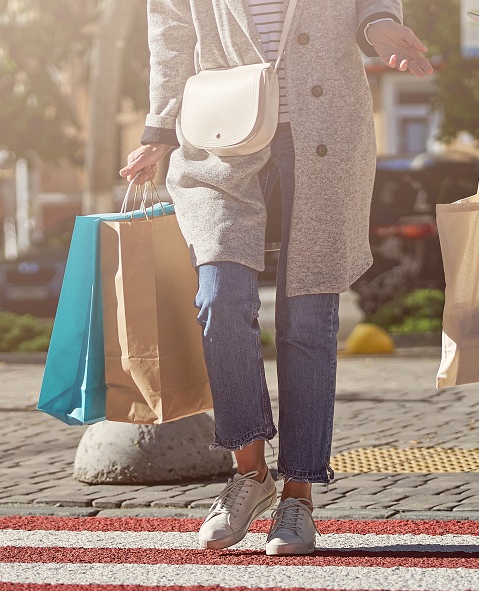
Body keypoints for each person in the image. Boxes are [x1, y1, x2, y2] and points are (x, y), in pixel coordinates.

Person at [123, 0, 432, 555]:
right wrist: (160, 126)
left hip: (325, 135)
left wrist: (382, 26)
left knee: (309, 320)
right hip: (221, 140)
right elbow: (170, 29)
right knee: (220, 299)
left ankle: (298, 496)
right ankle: (250, 472)